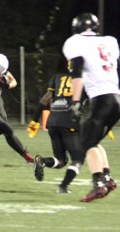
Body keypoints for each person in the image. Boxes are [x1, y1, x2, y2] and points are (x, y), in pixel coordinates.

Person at [62, 13, 120, 202]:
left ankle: (98, 184)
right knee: (94, 141)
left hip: (101, 101)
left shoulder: (74, 42)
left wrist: (76, 102)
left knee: (86, 144)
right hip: (117, 101)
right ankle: (107, 178)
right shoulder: (109, 42)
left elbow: (77, 73)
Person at [27, 56, 86, 193]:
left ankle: (42, 161)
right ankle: (63, 187)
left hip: (52, 122)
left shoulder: (57, 77)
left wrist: (35, 120)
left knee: (61, 161)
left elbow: (44, 99)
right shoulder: (84, 79)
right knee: (77, 159)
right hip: (69, 121)